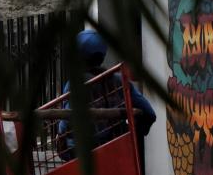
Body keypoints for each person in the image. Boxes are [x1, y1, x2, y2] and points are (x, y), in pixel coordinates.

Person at [58, 30, 156, 164]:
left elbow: (65, 126)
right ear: (102, 56)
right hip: (117, 151)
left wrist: (61, 135)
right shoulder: (120, 82)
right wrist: (134, 134)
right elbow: (149, 113)